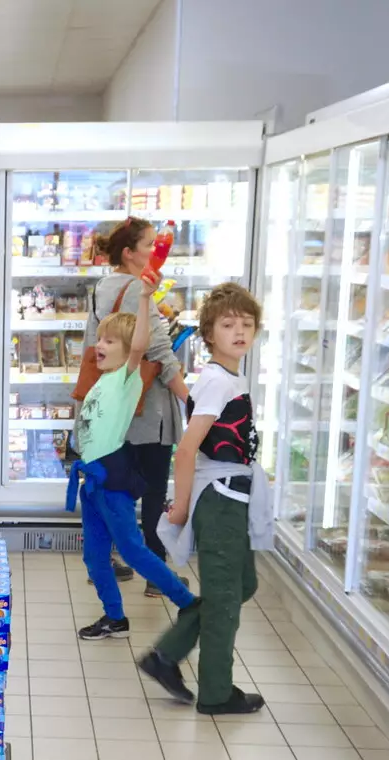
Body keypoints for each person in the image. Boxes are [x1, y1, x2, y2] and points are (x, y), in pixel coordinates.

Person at [139, 282, 275, 713]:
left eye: (247, 324)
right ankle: (216, 693)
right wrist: (179, 505)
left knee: (241, 586)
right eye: (228, 324)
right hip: (219, 501)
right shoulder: (217, 381)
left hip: (233, 497)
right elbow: (187, 447)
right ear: (209, 334)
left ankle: (165, 655)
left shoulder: (231, 376)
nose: (239, 331)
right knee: (223, 602)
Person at [68, 277, 197, 641]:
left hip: (114, 483)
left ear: (128, 353)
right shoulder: (104, 378)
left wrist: (144, 298)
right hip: (92, 483)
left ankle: (187, 601)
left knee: (133, 550)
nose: (100, 345)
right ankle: (115, 618)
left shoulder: (127, 378)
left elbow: (140, 344)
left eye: (110, 341)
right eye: (100, 338)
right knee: (94, 558)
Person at [76, 218, 190, 597]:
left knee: (117, 487)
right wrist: (190, 397)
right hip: (148, 411)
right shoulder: (135, 289)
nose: (159, 252)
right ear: (129, 253)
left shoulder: (102, 287)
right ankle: (157, 576)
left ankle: (105, 558)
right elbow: (156, 349)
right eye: (150, 246)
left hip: (119, 409)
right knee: (154, 489)